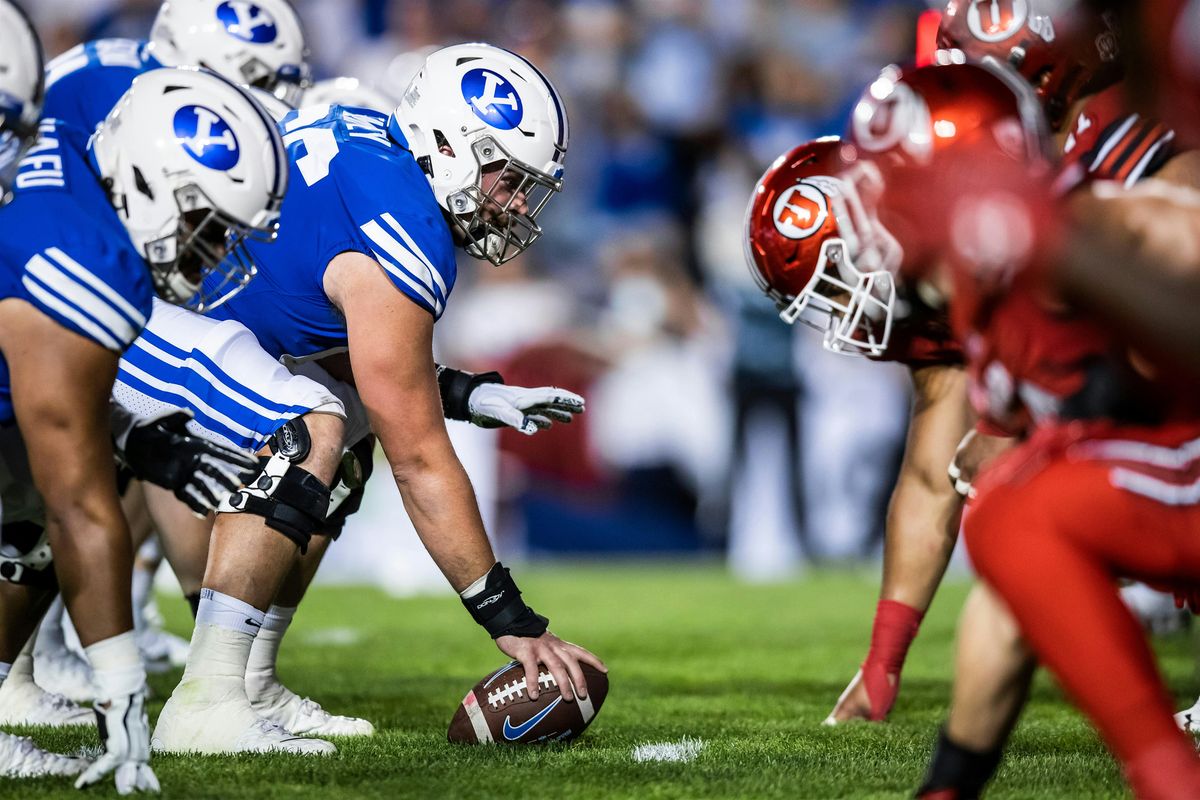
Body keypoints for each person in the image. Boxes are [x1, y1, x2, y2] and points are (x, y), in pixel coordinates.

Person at [120, 42, 606, 755]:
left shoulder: (371, 142)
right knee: (309, 429)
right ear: (447, 143)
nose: (512, 203)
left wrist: (464, 392)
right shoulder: (403, 226)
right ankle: (207, 698)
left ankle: (249, 680)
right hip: (122, 317)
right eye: (506, 176)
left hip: (176, 312)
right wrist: (509, 616)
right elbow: (420, 460)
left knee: (342, 433)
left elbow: (350, 361)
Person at [0, 46, 289, 792]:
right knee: (47, 503)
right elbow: (82, 512)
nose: (219, 251)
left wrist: (138, 436)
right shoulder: (94, 265)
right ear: (150, 184)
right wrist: (124, 694)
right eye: (210, 225)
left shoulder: (66, 153)